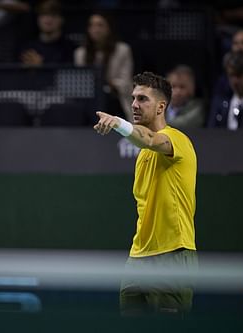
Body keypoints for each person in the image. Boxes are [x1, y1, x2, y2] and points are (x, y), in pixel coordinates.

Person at [94, 71, 198, 315]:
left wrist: (119, 123)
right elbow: (144, 142)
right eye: (133, 98)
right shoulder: (142, 154)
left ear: (161, 106)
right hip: (138, 257)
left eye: (142, 99)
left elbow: (150, 139)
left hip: (173, 254)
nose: (134, 105)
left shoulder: (177, 140)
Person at [74, 12, 134, 121]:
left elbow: (126, 83)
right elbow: (79, 84)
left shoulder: (122, 50)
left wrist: (108, 84)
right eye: (92, 25)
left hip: (115, 100)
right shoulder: (80, 53)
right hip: (89, 102)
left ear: (109, 28)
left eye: (100, 25)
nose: (95, 29)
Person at [19, 0, 75, 66]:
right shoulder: (28, 47)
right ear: (38, 19)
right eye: (44, 14)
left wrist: (42, 66)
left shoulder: (69, 48)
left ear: (61, 19)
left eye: (53, 15)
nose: (48, 20)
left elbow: (66, 74)